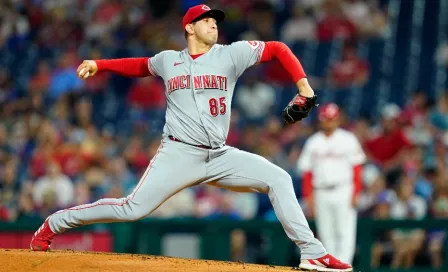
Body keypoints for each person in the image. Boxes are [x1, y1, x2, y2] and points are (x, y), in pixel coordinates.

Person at [30, 4, 351, 271]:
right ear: (189, 28)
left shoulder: (231, 54)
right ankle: (54, 224)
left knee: (279, 179)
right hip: (178, 155)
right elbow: (140, 65)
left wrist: (304, 86)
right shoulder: (170, 59)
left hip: (219, 156)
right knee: (131, 209)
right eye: (206, 21)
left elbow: (278, 49)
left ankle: (311, 252)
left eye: (215, 21)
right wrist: (99, 64)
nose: (213, 25)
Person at [297, 103, 366, 265]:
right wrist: (309, 198)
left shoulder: (348, 139)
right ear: (321, 120)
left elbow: (357, 168)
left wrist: (356, 192)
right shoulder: (313, 142)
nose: (328, 122)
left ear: (338, 120)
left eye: (331, 119)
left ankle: (344, 266)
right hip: (320, 191)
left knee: (345, 232)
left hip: (343, 189)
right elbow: (307, 173)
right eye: (325, 119)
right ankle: (331, 266)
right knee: (325, 233)